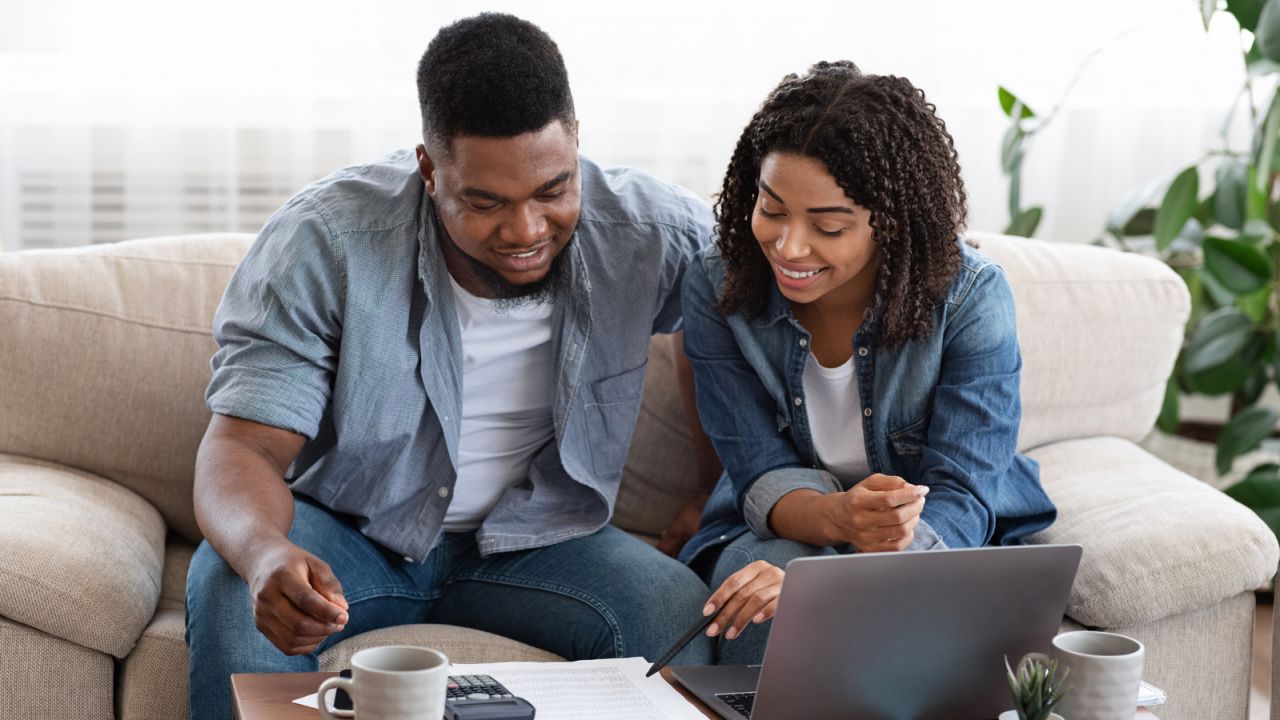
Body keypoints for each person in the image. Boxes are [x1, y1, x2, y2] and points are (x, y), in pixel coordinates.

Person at [184, 13, 718, 719]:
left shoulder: (653, 235)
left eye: (553, 191)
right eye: (486, 202)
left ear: (577, 142)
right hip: (353, 536)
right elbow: (244, 443)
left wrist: (715, 491)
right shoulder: (326, 241)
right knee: (230, 587)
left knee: (673, 605)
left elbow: (742, 334)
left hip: (543, 542)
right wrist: (262, 552)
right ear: (431, 170)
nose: (527, 231)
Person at [675, 61, 1058, 665]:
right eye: (772, 209)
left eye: (827, 226)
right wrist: (840, 523)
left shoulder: (971, 298)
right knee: (768, 611)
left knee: (846, 620)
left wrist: (845, 578)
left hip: (928, 541)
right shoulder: (717, 284)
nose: (788, 246)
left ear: (892, 224)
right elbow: (757, 466)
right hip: (786, 521)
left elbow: (962, 498)